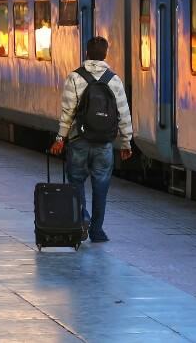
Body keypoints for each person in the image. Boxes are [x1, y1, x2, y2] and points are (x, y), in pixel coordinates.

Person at [49, 36, 133, 243]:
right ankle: (97, 231)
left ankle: (82, 218)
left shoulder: (75, 78)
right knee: (101, 185)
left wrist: (60, 138)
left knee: (76, 181)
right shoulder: (114, 80)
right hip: (104, 143)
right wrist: (126, 142)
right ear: (105, 54)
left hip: (79, 140)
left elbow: (67, 112)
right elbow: (123, 112)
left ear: (86, 53)